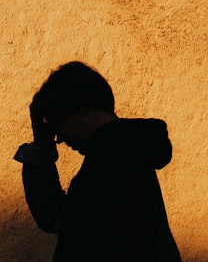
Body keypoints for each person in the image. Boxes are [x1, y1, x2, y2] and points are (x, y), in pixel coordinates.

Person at [14, 61, 182, 261]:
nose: (61, 139)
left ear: (82, 109)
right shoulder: (125, 149)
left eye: (59, 125)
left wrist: (42, 146)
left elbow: (63, 222)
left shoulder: (110, 157)